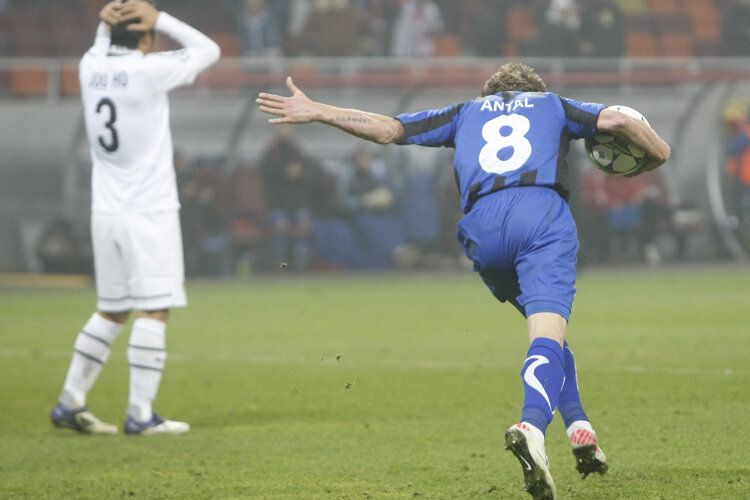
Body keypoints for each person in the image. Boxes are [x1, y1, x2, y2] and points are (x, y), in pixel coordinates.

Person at [256, 63, 670, 499]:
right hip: (539, 215)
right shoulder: (552, 105)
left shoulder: (464, 112)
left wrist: (319, 110)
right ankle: (531, 426)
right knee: (547, 334)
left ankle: (579, 427)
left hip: (482, 227)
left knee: (550, 336)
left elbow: (389, 130)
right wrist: (660, 153)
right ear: (533, 90)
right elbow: (618, 121)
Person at [50, 0, 220, 435]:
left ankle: (70, 401)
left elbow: (103, 45)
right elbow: (209, 50)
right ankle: (141, 415)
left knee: (112, 309)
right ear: (146, 35)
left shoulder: (90, 65)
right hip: (148, 209)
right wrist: (160, 16)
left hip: (105, 210)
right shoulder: (148, 71)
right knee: (155, 308)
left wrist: (107, 22)